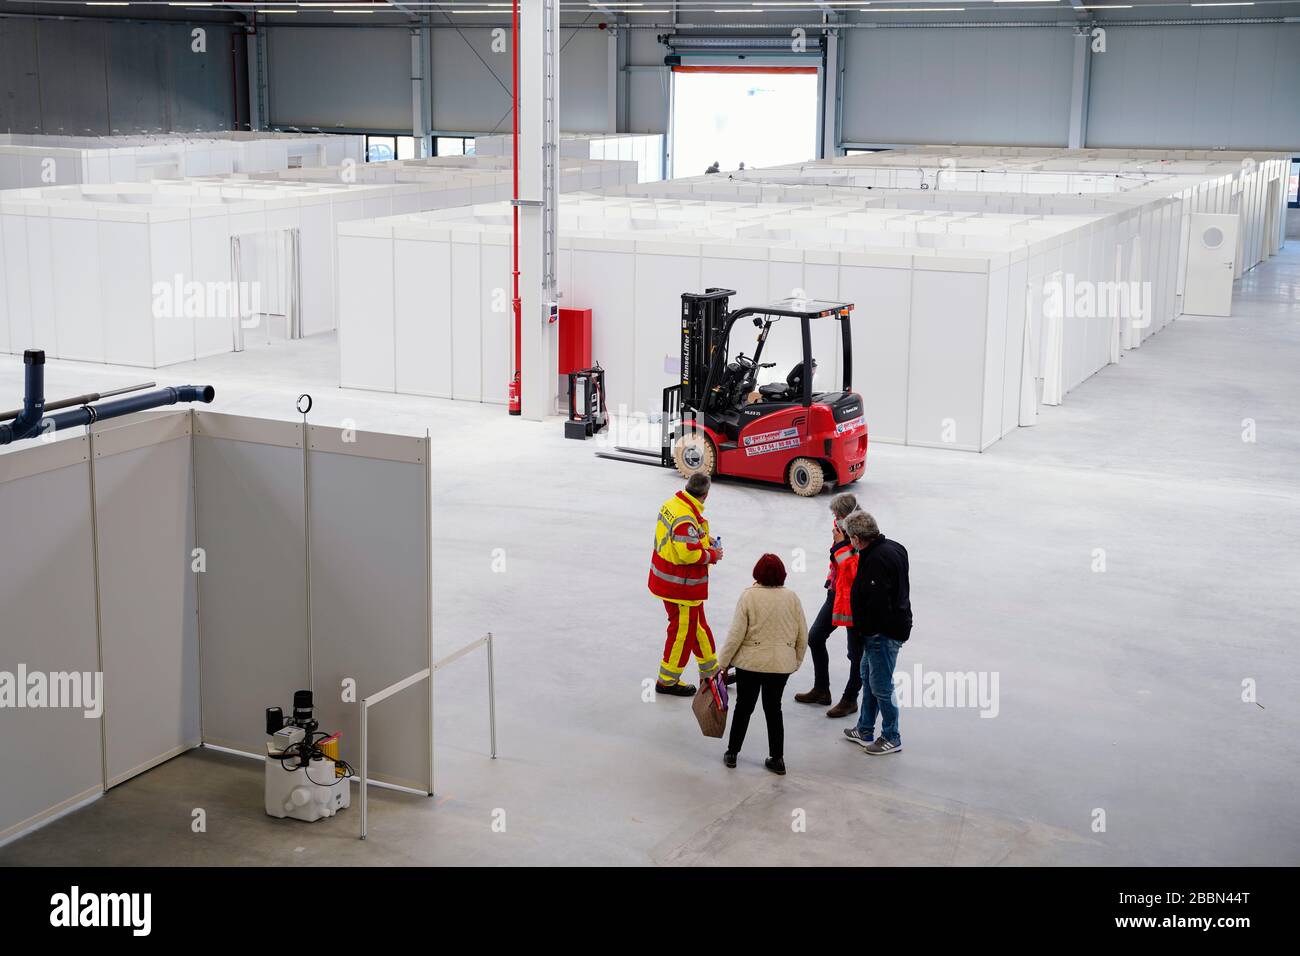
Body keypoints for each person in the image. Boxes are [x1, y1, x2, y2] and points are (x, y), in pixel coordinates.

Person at [717, 554, 808, 775]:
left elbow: (735, 635)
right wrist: (794, 661)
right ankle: (777, 759)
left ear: (757, 573)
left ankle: (732, 754)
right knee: (773, 709)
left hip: (750, 664)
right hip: (780, 665)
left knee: (744, 707)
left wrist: (723, 663)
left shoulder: (748, 596)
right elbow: (803, 634)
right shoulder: (792, 598)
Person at [840, 511, 912, 756]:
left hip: (882, 634)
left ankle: (892, 736)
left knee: (881, 686)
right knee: (869, 678)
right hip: (883, 631)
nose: (850, 542)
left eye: (851, 538)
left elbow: (878, 603)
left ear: (858, 538)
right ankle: (865, 728)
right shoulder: (894, 547)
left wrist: (866, 632)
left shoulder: (876, 560)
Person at [649, 473, 724, 696]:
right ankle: (667, 681)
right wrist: (712, 554)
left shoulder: (675, 504)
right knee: (682, 633)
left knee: (697, 626)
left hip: (669, 581)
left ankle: (711, 671)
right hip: (679, 587)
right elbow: (687, 554)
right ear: (706, 495)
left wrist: (703, 540)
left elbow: (679, 540)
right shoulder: (685, 518)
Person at [794, 493, 862, 717]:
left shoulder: (860, 534)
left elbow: (852, 570)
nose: (834, 518)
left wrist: (840, 545)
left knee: (856, 654)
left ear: (847, 516)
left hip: (854, 602)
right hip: (836, 594)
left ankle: (850, 699)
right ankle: (822, 689)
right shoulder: (842, 529)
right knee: (815, 637)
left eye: (837, 514)